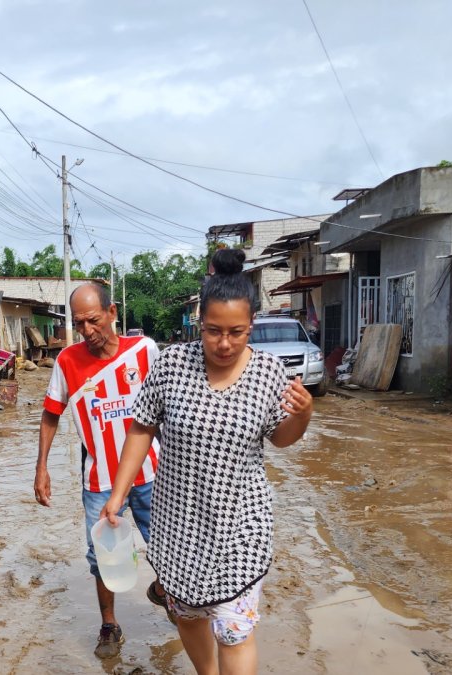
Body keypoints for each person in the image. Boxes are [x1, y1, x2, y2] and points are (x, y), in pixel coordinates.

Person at [100, 248, 314, 675]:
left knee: (234, 629)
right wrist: (118, 494)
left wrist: (303, 414)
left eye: (236, 332)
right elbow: (141, 428)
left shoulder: (269, 373)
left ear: (251, 325)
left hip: (241, 520)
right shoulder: (173, 365)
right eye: (213, 331)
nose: (224, 343)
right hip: (179, 519)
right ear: (200, 324)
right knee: (190, 612)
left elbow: (281, 438)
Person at [35, 282, 165, 659]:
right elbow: (50, 414)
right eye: (79, 324)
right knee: (102, 559)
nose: (88, 331)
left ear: (112, 313)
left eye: (94, 320)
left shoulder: (145, 351)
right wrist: (41, 467)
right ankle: (109, 624)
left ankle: (165, 593)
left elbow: (168, 408)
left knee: (167, 547)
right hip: (100, 483)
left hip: (152, 474)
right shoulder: (67, 361)